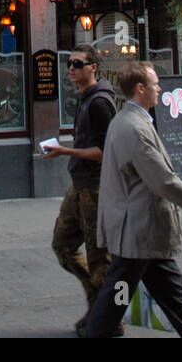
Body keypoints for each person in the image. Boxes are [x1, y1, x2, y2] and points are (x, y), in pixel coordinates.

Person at [84, 62, 182, 338]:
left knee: (169, 298)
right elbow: (163, 181)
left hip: (140, 233)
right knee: (116, 302)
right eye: (155, 83)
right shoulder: (134, 128)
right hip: (138, 231)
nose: (159, 88)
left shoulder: (128, 121)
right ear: (140, 88)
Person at [45, 44, 120, 336]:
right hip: (80, 185)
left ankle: (108, 319)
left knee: (100, 257)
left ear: (93, 68)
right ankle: (100, 309)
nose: (71, 68)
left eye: (78, 63)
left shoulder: (99, 103)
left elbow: (106, 151)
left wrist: (64, 150)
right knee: (62, 246)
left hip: (97, 187)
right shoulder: (86, 98)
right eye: (70, 63)